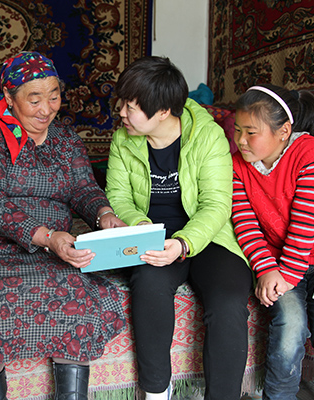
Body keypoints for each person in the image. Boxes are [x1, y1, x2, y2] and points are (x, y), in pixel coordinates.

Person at [0, 51, 127, 400]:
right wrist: (46, 236)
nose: (46, 109)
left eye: (54, 96)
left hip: (52, 246)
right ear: (9, 96)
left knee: (74, 289)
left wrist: (103, 214)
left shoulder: (66, 140)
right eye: (34, 100)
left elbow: (84, 188)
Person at [105, 56, 252, 400]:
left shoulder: (209, 137)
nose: (121, 112)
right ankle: (157, 391)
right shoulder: (122, 140)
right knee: (149, 283)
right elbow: (118, 196)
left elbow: (216, 205)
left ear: (162, 111)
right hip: (153, 236)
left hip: (208, 236)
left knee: (229, 300)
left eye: (130, 107)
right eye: (121, 103)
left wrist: (184, 243)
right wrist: (141, 226)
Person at [231, 83, 314, 399]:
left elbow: (307, 221)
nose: (240, 140)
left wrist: (287, 275)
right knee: (289, 325)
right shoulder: (237, 166)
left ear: (283, 131)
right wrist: (265, 269)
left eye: (251, 132)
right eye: (237, 130)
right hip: (277, 266)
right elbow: (245, 223)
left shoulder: (310, 154)